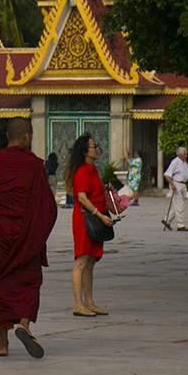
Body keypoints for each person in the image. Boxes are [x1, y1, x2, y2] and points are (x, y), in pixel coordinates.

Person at [0, 118, 56, 358]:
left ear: (8, 136)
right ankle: (24, 326)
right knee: (28, 283)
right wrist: (37, 234)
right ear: (27, 137)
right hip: (26, 237)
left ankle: (3, 344)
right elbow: (47, 206)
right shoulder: (35, 166)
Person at [70, 133, 114, 317]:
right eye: (93, 146)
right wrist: (99, 215)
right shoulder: (81, 171)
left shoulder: (93, 170)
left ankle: (89, 302)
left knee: (90, 262)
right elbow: (82, 198)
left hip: (96, 216)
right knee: (81, 261)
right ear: (85, 151)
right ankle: (78, 304)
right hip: (86, 219)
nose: (96, 149)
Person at [162, 146, 188, 231]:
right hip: (176, 184)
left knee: (177, 205)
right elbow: (167, 175)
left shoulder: (184, 162)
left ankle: (167, 220)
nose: (186, 155)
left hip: (183, 185)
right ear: (180, 154)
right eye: (184, 154)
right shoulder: (175, 162)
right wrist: (172, 184)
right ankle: (180, 225)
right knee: (179, 205)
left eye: (186, 154)